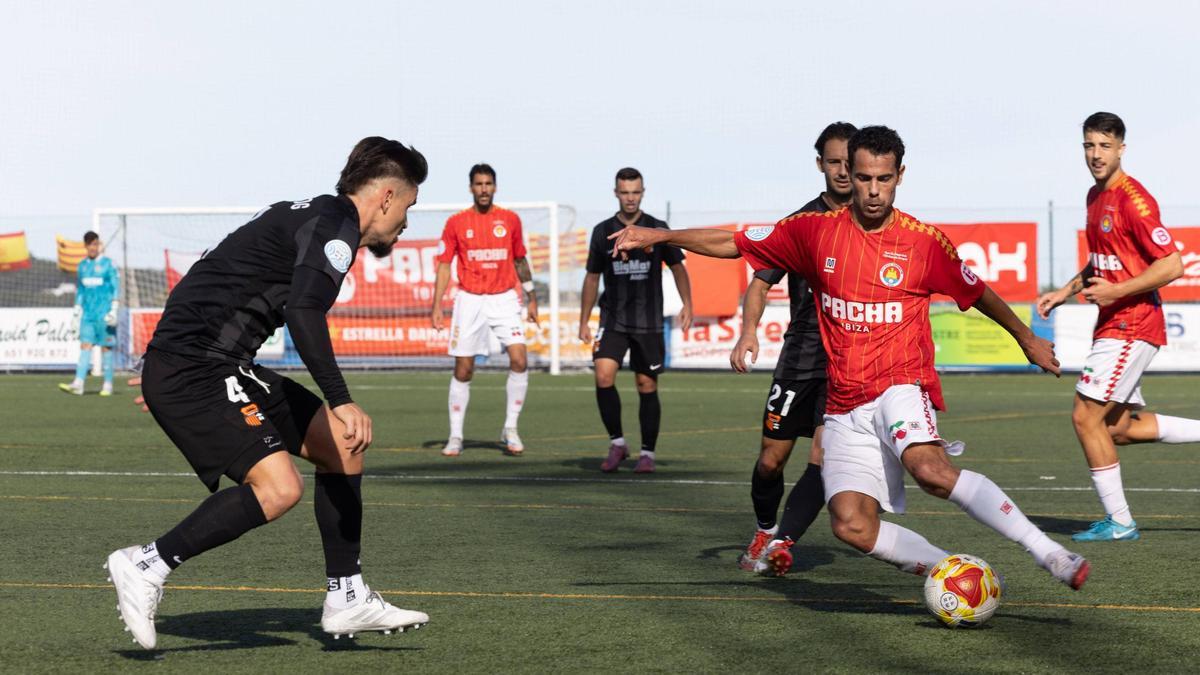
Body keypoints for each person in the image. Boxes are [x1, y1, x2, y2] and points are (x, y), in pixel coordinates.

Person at [611, 126, 1091, 590]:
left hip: (901, 385)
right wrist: (660, 237)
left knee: (931, 471)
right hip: (844, 404)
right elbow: (734, 243)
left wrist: (1026, 338)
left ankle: (1049, 552)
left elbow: (978, 292)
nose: (874, 191)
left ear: (900, 175)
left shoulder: (924, 242)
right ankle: (956, 571)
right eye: (864, 178)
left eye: (884, 179)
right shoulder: (813, 232)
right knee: (851, 526)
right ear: (849, 174)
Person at [106, 137, 430, 649]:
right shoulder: (335, 230)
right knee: (280, 490)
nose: (408, 221)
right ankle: (145, 564)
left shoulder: (311, 215)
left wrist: (166, 352)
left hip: (209, 364)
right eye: (410, 205)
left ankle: (347, 597)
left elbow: (214, 271)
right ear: (387, 196)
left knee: (341, 445)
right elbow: (303, 313)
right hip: (199, 369)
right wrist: (340, 398)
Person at [1036, 112, 1195, 542]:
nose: (1095, 155)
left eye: (1104, 146)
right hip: (1114, 321)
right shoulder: (1094, 196)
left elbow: (1172, 264)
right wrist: (1064, 291)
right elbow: (1100, 262)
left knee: (1085, 417)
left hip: (1132, 322)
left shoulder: (1134, 201)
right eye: (1089, 146)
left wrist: (1117, 291)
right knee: (1118, 428)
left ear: (1121, 148)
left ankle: (1120, 522)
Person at [730, 122, 856, 576]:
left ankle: (784, 541)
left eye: (849, 161)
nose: (843, 171)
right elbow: (760, 282)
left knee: (822, 457)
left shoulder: (872, 219)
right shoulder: (800, 223)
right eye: (834, 161)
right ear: (819, 163)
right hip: (800, 356)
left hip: (846, 363)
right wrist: (748, 331)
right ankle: (765, 526)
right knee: (770, 460)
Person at [581, 167, 693, 473]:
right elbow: (591, 278)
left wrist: (688, 303)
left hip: (648, 320)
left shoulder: (657, 228)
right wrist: (583, 319)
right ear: (616, 193)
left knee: (646, 384)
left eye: (635, 192)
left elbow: (678, 268)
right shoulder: (601, 231)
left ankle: (647, 453)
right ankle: (617, 443)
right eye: (625, 192)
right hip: (613, 318)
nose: (630, 198)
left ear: (642, 193)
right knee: (603, 376)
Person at [431, 164, 538, 457]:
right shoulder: (456, 223)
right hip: (470, 301)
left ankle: (511, 428)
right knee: (464, 369)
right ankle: (455, 436)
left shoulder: (510, 220)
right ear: (471, 188)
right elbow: (443, 265)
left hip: (504, 298)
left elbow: (519, 260)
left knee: (520, 359)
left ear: (495, 187)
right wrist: (437, 304)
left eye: (488, 183)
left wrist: (531, 296)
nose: (483, 189)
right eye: (478, 184)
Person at [59, 231, 119, 396]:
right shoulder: (82, 266)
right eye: (90, 244)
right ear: (85, 246)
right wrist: (77, 310)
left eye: (95, 244)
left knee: (106, 348)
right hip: (88, 315)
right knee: (85, 346)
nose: (93, 247)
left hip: (105, 314)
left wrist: (114, 308)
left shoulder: (109, 264)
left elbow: (116, 286)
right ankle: (79, 383)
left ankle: (107, 384)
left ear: (99, 245)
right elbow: (81, 290)